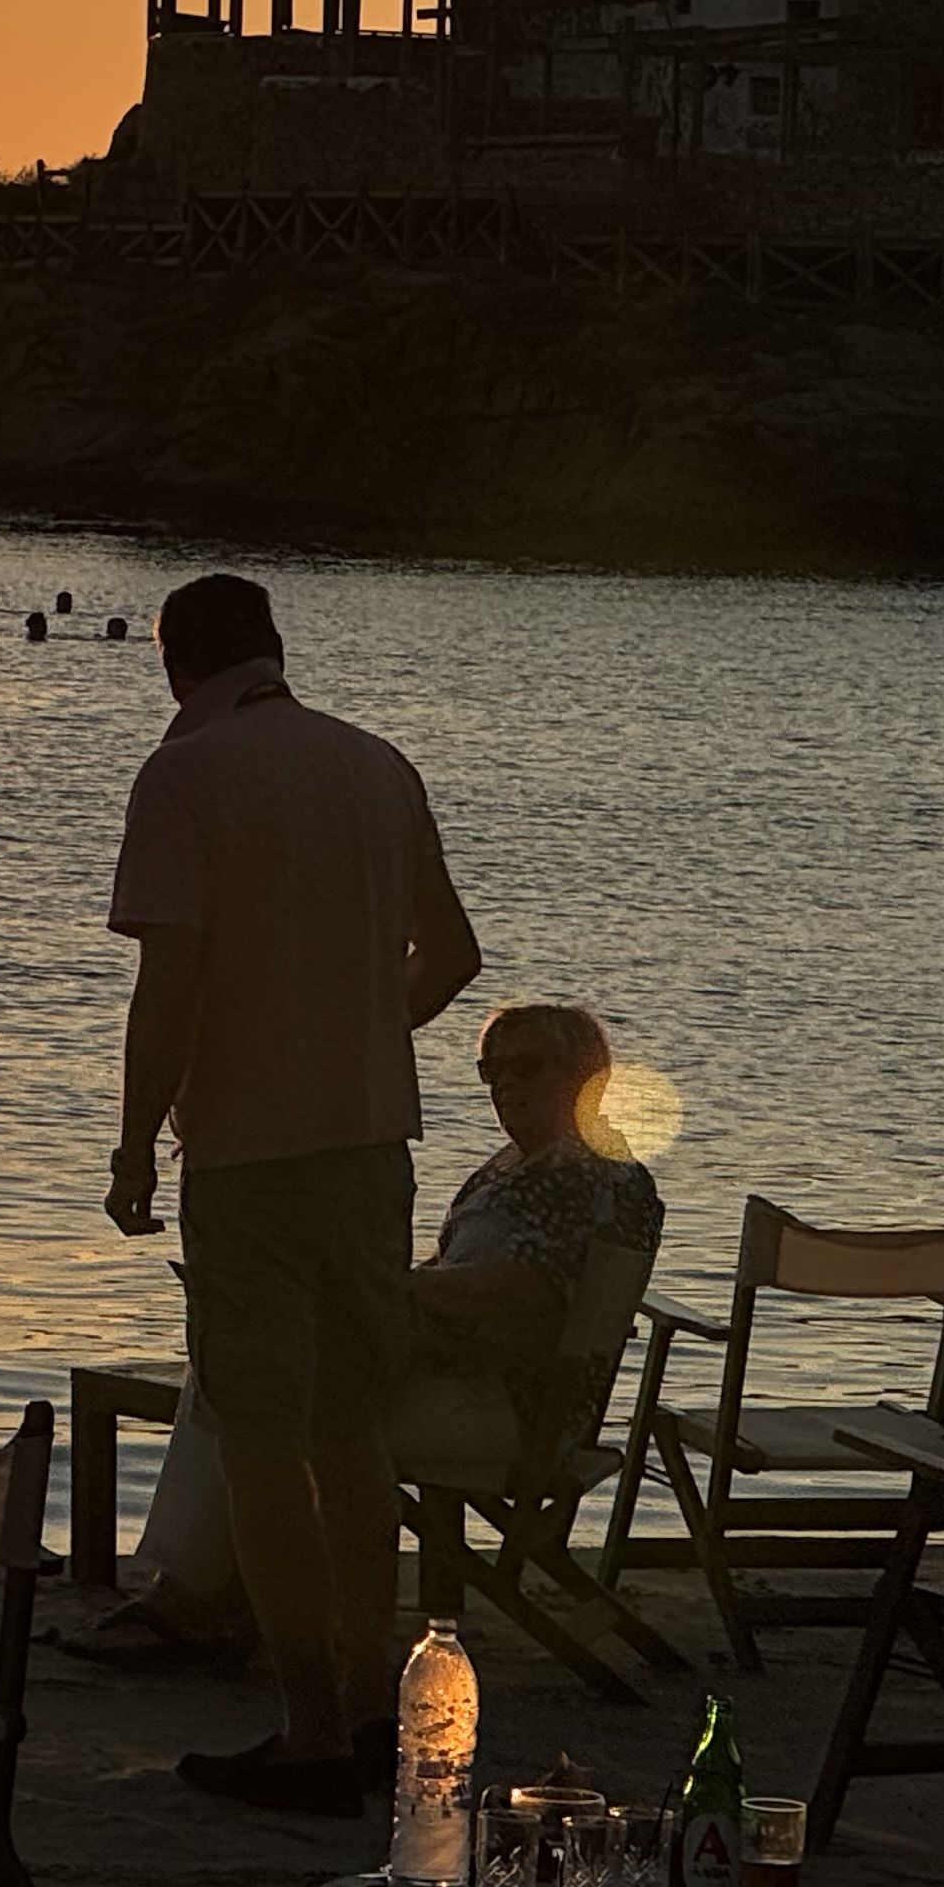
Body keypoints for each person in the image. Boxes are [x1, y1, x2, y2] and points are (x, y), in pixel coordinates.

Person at [104, 571, 478, 1814]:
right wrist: (367, 1026)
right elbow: (456, 954)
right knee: (353, 1438)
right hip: (374, 1147)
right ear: (274, 649)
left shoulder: (188, 776)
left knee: (263, 1441)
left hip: (250, 1158)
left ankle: (309, 1729)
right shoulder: (380, 765)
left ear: (176, 665)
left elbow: (172, 986)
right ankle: (377, 1712)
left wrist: (132, 1144)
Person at [74, 1001, 662, 1675]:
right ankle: (204, 1593)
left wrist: (384, 1292)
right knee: (253, 1364)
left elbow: (525, 1294)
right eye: (490, 1070)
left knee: (261, 1387)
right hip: (469, 1378)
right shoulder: (529, 1168)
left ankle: (196, 1598)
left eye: (526, 1066)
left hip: (511, 1406)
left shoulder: (584, 1177)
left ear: (590, 1073)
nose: (505, 1084)